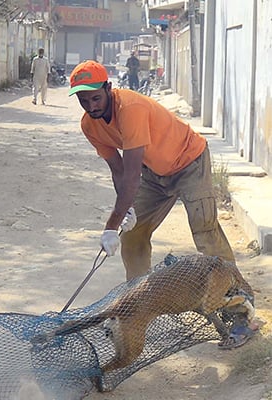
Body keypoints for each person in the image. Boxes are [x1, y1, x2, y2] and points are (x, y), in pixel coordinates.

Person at [67, 60, 255, 349]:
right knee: (132, 237)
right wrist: (127, 212)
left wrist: (110, 225)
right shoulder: (89, 125)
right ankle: (140, 309)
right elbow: (118, 171)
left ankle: (241, 312)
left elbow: (130, 178)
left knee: (205, 231)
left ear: (108, 88)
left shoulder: (129, 109)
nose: (91, 105)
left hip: (189, 161)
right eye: (84, 100)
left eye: (95, 97)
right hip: (154, 173)